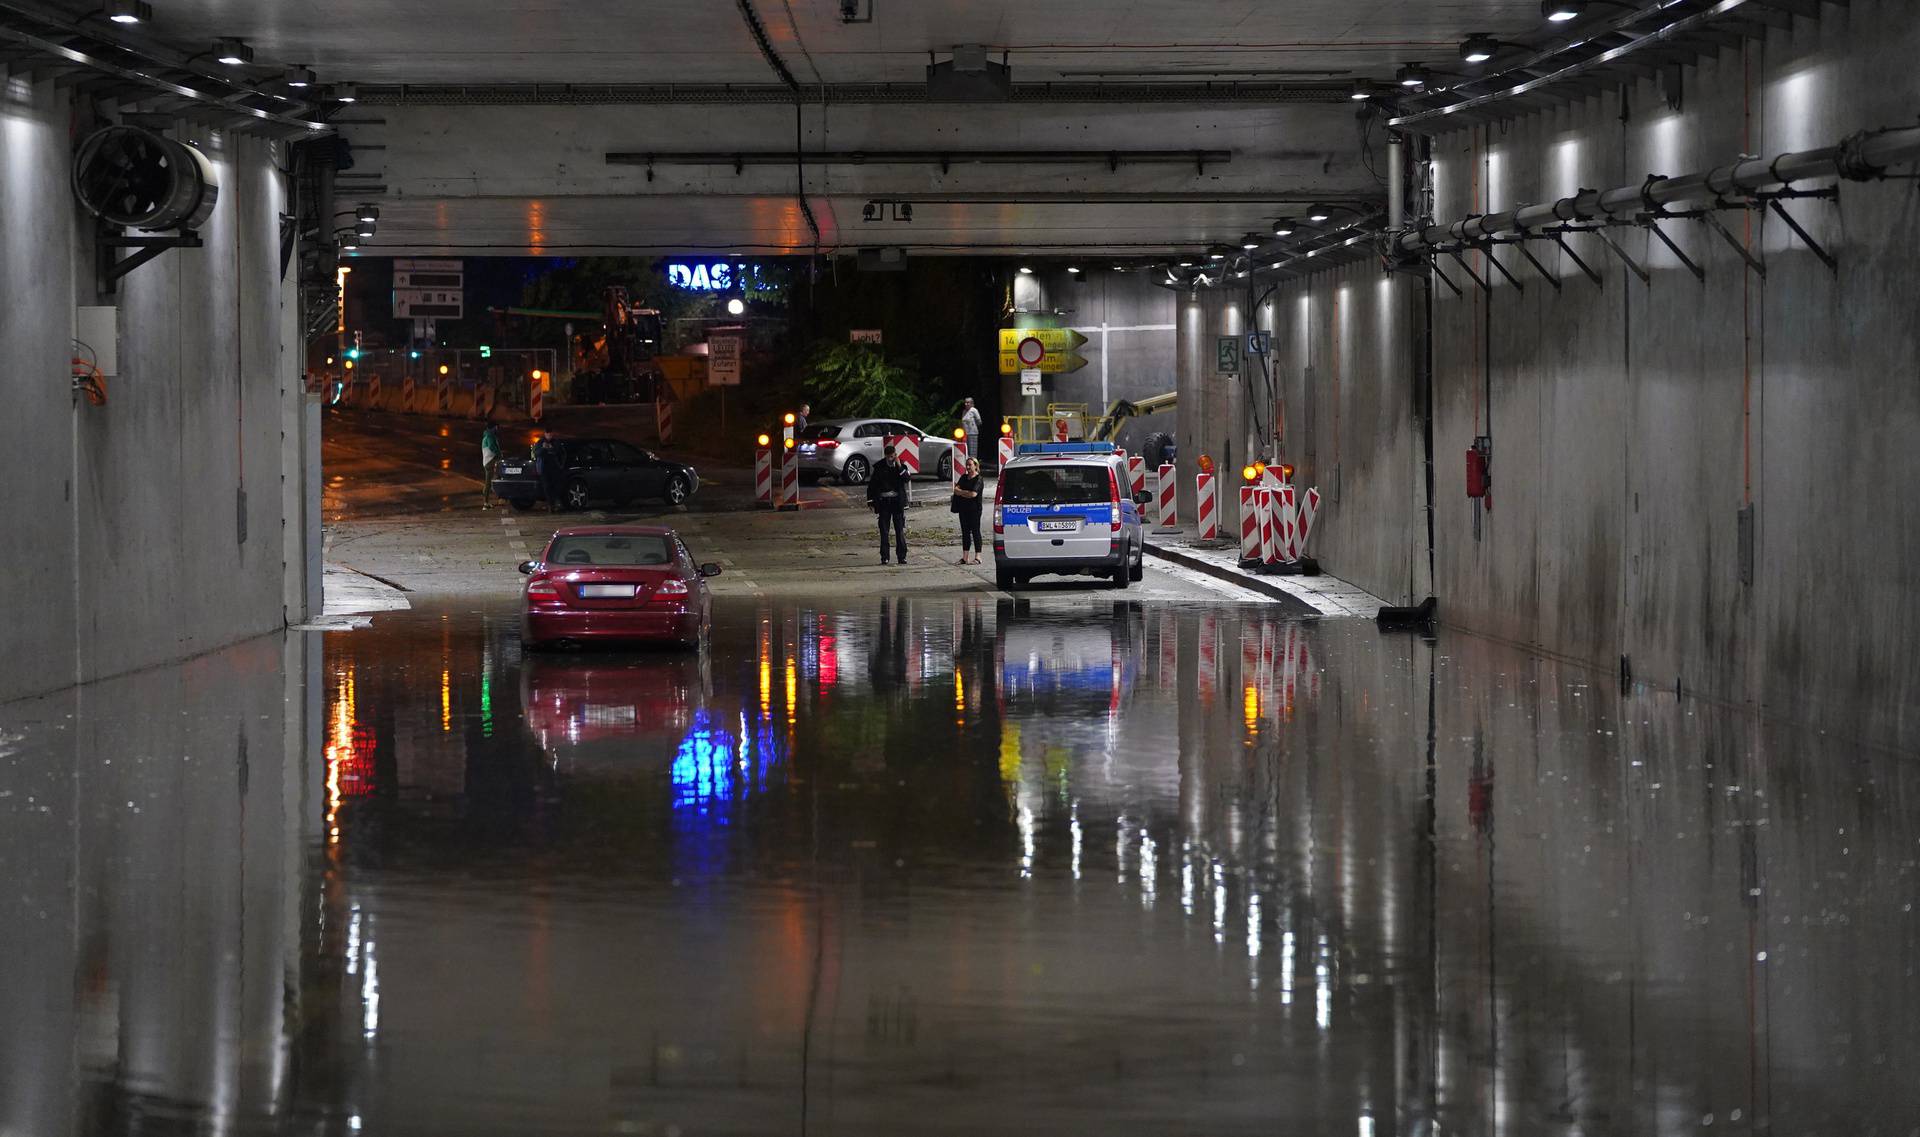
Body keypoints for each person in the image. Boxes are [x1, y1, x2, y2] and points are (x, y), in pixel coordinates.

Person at [866, 444, 910, 564]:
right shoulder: (879, 467)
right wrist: (870, 501)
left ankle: (902, 556)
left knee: (899, 530)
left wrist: (899, 465)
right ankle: (884, 557)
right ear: (886, 456)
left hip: (897, 502)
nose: (891, 459)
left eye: (893, 456)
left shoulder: (900, 466)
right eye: (889, 457)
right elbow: (872, 485)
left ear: (896, 455)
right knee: (884, 531)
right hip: (884, 502)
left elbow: (906, 478)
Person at [951, 456, 984, 564]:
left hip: (974, 510)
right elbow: (955, 490)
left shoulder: (979, 479)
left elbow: (974, 494)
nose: (968, 467)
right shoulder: (963, 477)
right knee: (965, 532)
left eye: (970, 465)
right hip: (963, 509)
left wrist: (961, 492)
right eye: (967, 465)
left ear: (976, 466)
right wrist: (966, 493)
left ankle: (978, 557)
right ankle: (965, 558)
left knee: (975, 532)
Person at [532, 432, 565, 512]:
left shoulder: (556, 442)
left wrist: (551, 448)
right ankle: (551, 505)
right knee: (547, 486)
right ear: (545, 434)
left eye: (550, 434)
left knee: (555, 486)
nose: (549, 436)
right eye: (548, 434)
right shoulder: (540, 442)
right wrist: (543, 448)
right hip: (544, 469)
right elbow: (536, 453)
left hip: (555, 468)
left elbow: (561, 453)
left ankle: (555, 503)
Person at [480, 420, 502, 508]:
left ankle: (487, 501)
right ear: (493, 428)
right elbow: (492, 447)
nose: (497, 429)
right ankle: (486, 502)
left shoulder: (489, 435)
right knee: (489, 482)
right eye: (496, 427)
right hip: (489, 461)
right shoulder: (489, 436)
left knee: (490, 481)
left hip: (488, 461)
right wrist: (499, 454)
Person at [959, 397, 982, 463]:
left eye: (968, 402)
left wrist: (973, 426)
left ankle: (973, 465)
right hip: (965, 434)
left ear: (971, 403)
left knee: (972, 451)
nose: (966, 404)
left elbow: (979, 421)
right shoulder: (964, 411)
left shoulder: (974, 410)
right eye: (965, 402)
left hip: (972, 433)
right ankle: (966, 464)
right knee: (966, 450)